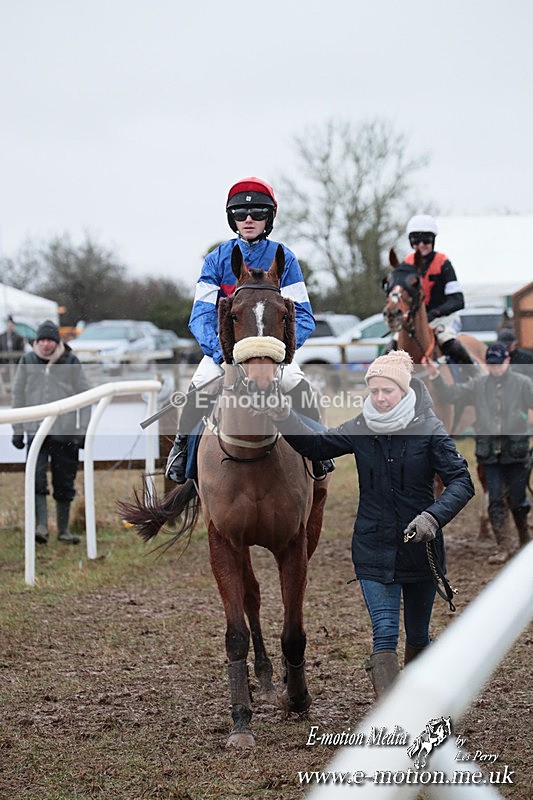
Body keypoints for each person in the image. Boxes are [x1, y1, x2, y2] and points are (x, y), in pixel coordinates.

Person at [259, 350, 474, 698]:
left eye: (386, 391)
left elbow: (462, 482)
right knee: (385, 633)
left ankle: (422, 702)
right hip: (373, 547)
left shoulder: (429, 429)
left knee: (418, 636)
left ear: (403, 391)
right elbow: (319, 444)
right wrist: (285, 416)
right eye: (373, 391)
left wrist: (433, 518)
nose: (379, 398)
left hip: (421, 549)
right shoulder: (363, 425)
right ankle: (395, 713)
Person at [166, 176, 333, 483]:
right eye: (240, 214)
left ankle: (319, 454)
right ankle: (183, 455)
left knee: (301, 389)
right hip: (227, 353)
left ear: (269, 218)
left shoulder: (286, 258)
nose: (248, 219)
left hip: (273, 355)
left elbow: (304, 315)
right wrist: (222, 353)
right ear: (232, 219)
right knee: (197, 389)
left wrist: (282, 351)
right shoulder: (216, 259)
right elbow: (201, 315)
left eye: (257, 213)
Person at [427, 341, 533, 563]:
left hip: (516, 453)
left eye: (498, 364)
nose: (495, 368)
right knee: (495, 499)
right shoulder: (478, 385)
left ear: (507, 361)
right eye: (491, 364)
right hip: (490, 455)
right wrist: (436, 375)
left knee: (518, 501)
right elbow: (450, 395)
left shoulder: (523, 384)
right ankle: (503, 545)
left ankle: (524, 541)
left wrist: (524, 420)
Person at [11, 319, 91, 545]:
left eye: (50, 340)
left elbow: (85, 397)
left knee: (64, 480)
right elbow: (18, 396)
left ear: (57, 342)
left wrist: (83, 430)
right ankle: (41, 527)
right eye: (42, 340)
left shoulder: (71, 361)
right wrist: (17, 429)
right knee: (35, 479)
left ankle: (64, 530)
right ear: (37, 342)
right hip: (35, 432)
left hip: (65, 433)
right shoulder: (27, 361)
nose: (46, 345)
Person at [398, 214, 474, 365]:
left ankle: (475, 376)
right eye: (415, 240)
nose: (421, 245)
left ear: (433, 240)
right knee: (390, 348)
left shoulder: (443, 263)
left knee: (453, 346)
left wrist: (435, 313)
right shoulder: (406, 265)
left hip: (442, 320)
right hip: (415, 321)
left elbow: (458, 301)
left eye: (426, 240)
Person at [0, 315, 26, 391]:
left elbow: (21, 351)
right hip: (4, 364)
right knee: (5, 381)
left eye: (11, 324)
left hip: (16, 363)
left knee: (16, 380)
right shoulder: (1, 337)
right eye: (8, 324)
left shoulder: (19, 337)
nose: (10, 326)